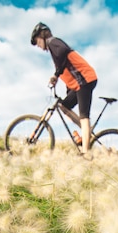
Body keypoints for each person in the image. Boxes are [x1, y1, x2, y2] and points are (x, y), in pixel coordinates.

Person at [31, 22, 97, 158]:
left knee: (84, 116)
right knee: (64, 106)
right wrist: (64, 85)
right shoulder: (52, 48)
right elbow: (67, 68)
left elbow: (64, 52)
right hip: (79, 83)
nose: (38, 45)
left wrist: (56, 74)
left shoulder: (53, 42)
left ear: (42, 35)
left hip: (85, 79)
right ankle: (87, 132)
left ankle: (85, 152)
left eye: (37, 41)